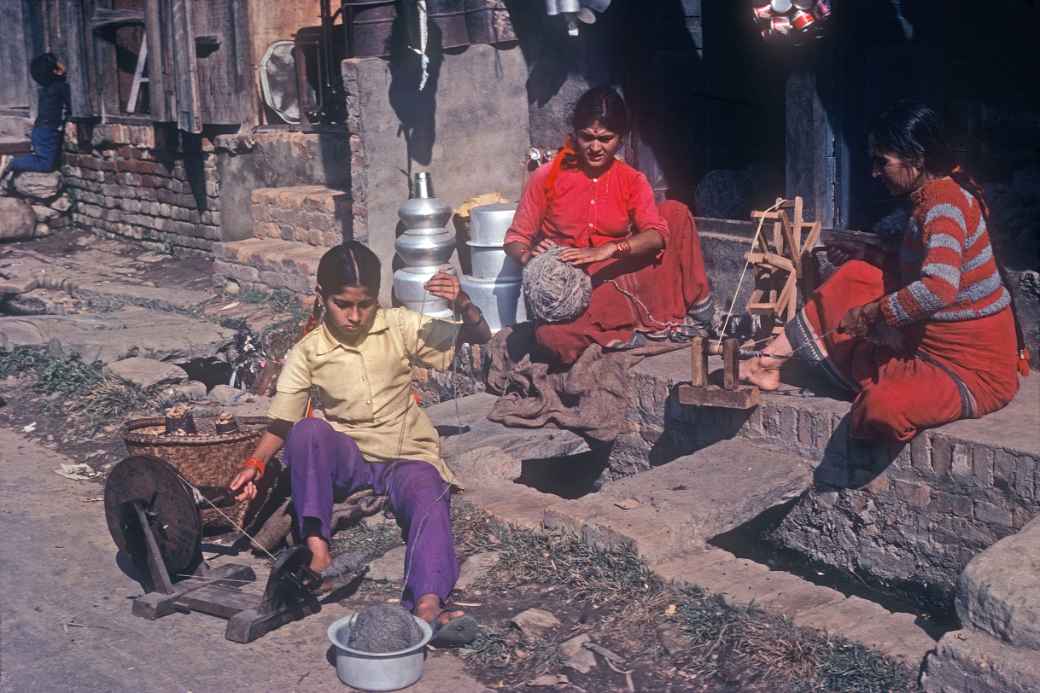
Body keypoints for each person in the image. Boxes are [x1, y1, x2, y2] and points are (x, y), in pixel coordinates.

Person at [228, 241, 490, 641]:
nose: (354, 316)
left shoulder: (400, 326)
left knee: (428, 492)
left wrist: (463, 303)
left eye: (364, 305)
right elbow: (282, 423)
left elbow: (478, 335)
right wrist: (256, 464)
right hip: (349, 463)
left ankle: (428, 605)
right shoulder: (309, 351)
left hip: (405, 456)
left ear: (378, 298)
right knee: (308, 430)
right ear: (321, 297)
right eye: (342, 304)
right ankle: (318, 554)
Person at [741, 100, 1028, 444]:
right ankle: (767, 362)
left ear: (917, 159)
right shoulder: (933, 199)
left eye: (883, 161)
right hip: (931, 343)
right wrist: (869, 254)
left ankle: (877, 374)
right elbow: (922, 270)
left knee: (881, 410)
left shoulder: (944, 208)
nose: (875, 172)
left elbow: (938, 289)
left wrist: (874, 313)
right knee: (857, 273)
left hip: (970, 369)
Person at [503, 86, 715, 366]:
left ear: (621, 139)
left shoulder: (631, 179)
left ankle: (696, 317)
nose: (595, 147)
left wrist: (608, 250)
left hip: (618, 274)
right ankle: (622, 335)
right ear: (574, 134)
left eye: (606, 139)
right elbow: (515, 238)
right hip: (574, 289)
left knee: (674, 213)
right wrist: (530, 256)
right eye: (587, 137)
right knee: (552, 338)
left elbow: (657, 234)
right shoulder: (546, 177)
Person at [0, 53, 71, 180]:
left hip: (42, 131)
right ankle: (12, 162)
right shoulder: (61, 87)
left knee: (46, 161)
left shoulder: (47, 89)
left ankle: (14, 164)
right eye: (58, 63)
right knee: (45, 164)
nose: (63, 64)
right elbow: (71, 107)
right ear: (56, 71)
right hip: (48, 131)